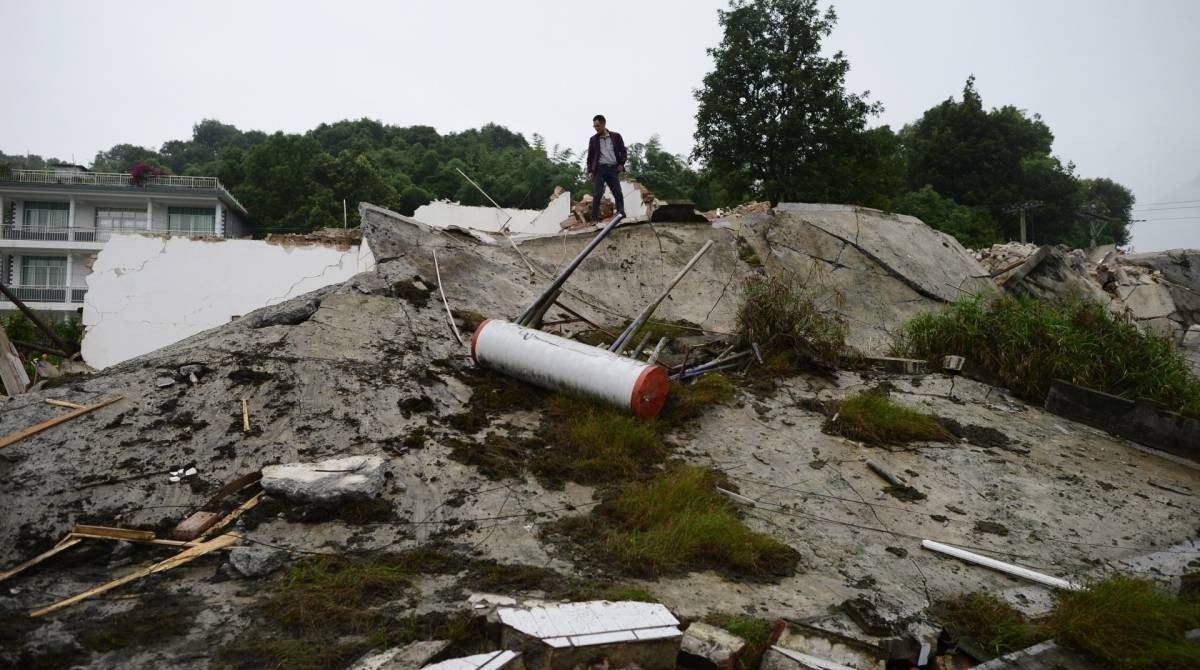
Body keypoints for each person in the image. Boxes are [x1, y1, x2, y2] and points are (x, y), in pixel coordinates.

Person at [586, 114, 627, 223]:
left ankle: (621, 214)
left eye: (598, 126)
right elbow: (590, 156)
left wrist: (621, 164)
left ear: (604, 124)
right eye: (594, 126)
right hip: (600, 169)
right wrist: (590, 171)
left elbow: (623, 151)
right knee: (597, 194)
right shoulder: (593, 139)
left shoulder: (616, 136)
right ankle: (594, 218)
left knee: (618, 192)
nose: (596, 128)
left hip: (613, 169)